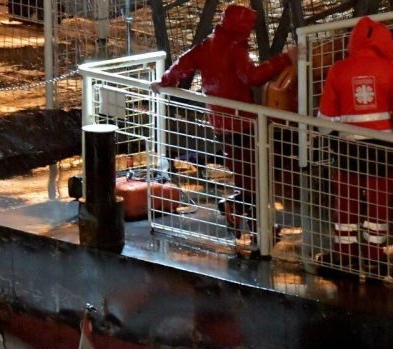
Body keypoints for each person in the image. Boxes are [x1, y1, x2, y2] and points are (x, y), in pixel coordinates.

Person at [152, 4, 295, 245]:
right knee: (254, 176)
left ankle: (255, 222)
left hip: (221, 122)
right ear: (242, 28)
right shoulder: (235, 48)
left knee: (245, 175)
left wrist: (165, 81)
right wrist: (285, 59)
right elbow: (252, 76)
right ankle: (249, 219)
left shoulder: (208, 44)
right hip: (243, 121)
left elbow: (183, 64)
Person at [317, 16, 393, 266]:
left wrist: (327, 136)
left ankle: (344, 254)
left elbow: (326, 117)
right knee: (378, 202)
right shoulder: (390, 68)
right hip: (383, 148)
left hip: (347, 148)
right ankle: (374, 256)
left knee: (346, 200)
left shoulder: (339, 69)